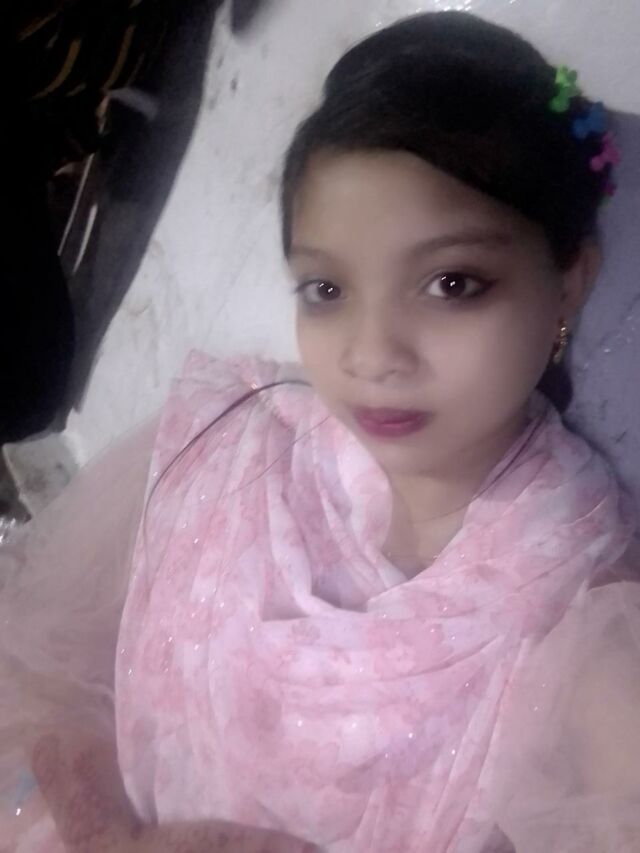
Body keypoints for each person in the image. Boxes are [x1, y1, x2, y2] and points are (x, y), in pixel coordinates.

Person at [1, 10, 639, 853]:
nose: (371, 355)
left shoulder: (581, 602)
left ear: (570, 281)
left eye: (451, 283)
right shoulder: (240, 446)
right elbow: (54, 675)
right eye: (327, 291)